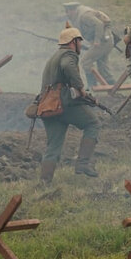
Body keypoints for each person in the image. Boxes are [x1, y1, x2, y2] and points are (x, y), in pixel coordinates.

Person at [38, 27, 101, 183]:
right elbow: (67, 67)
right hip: (63, 104)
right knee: (93, 123)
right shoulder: (69, 54)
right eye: (79, 41)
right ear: (74, 42)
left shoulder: (54, 57)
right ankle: (83, 164)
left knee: (53, 146)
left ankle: (44, 182)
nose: (80, 45)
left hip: (48, 107)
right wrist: (80, 88)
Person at [63, 2, 116, 87]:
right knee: (103, 68)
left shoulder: (84, 15)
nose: (67, 14)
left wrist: (97, 40)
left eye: (67, 12)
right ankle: (113, 88)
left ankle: (92, 86)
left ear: (72, 10)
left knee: (85, 61)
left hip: (103, 42)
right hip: (105, 41)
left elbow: (99, 24)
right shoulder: (79, 15)